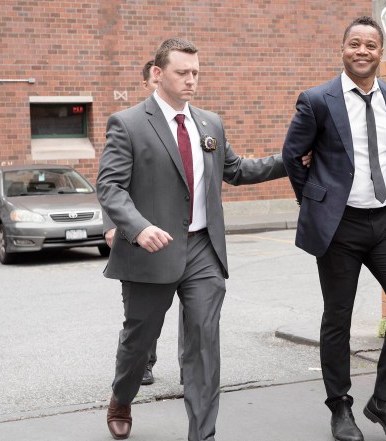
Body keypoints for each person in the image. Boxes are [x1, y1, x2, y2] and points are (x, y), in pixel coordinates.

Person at [97, 37, 288, 441]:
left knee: (203, 343)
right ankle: (121, 397)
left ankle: (202, 435)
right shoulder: (128, 123)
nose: (190, 81)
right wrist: (138, 226)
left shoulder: (209, 124)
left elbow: (236, 170)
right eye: (182, 72)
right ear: (157, 73)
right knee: (139, 338)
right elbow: (111, 186)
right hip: (152, 250)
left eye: (195, 73)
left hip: (203, 250)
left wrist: (291, 159)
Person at [282, 16, 386, 441]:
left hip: (385, 220)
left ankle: (383, 401)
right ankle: (340, 406)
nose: (362, 51)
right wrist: (316, 201)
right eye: (354, 44)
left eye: (371, 46)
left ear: (382, 52)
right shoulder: (318, 100)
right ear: (343, 49)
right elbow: (293, 155)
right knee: (337, 318)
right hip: (339, 226)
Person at [103, 59, 172, 387]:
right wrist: (115, 226)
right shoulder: (130, 123)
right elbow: (112, 185)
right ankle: (141, 364)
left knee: (197, 313)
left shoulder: (180, 124)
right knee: (143, 317)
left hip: (179, 238)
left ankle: (194, 371)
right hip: (139, 238)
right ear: (150, 82)